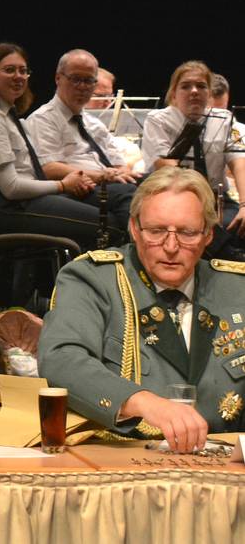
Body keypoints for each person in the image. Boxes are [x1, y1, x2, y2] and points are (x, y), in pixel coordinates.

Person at [39, 167, 244, 452]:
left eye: (187, 233)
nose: (171, 247)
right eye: (157, 231)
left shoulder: (236, 288)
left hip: (226, 464)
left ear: (208, 235)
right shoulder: (93, 278)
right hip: (121, 460)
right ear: (135, 228)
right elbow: (61, 359)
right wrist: (143, 402)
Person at [0, 42, 101, 249]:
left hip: (24, 201)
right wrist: (62, 185)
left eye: (23, 71)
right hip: (6, 208)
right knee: (106, 224)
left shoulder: (9, 115)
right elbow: (12, 188)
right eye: (9, 70)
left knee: (110, 205)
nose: (18, 76)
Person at [26, 49, 138, 239]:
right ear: (58, 78)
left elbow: (118, 161)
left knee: (160, 184)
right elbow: (47, 168)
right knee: (129, 194)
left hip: (106, 185)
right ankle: (135, 258)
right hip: (76, 190)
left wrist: (122, 173)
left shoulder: (93, 122)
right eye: (76, 79)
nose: (83, 87)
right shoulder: (43, 119)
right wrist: (101, 176)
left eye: (88, 81)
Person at [142, 60, 245, 246]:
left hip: (217, 199)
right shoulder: (158, 121)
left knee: (237, 227)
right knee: (211, 235)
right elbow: (165, 167)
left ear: (209, 93)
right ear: (174, 93)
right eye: (186, 86)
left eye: (201, 86)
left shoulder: (224, 119)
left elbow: (239, 163)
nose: (194, 91)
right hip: (176, 197)